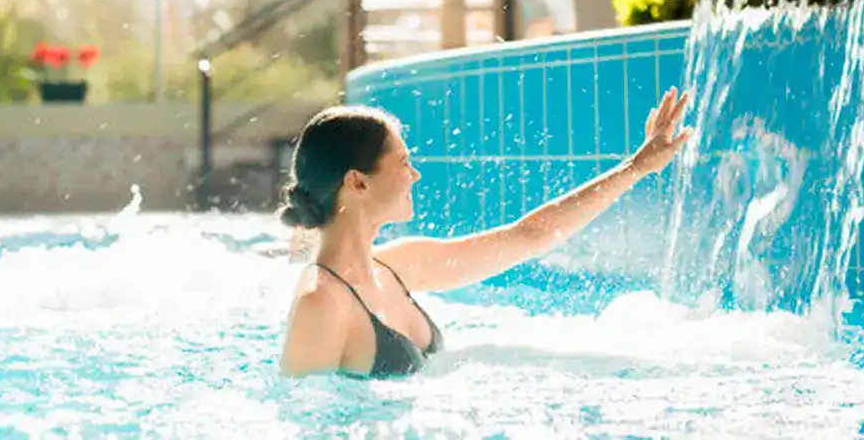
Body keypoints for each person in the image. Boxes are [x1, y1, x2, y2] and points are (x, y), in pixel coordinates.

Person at [278, 87, 693, 379]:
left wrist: (637, 168)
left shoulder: (396, 266)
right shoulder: (321, 304)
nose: (415, 174)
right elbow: (307, 420)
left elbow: (530, 236)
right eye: (403, 162)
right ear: (358, 183)